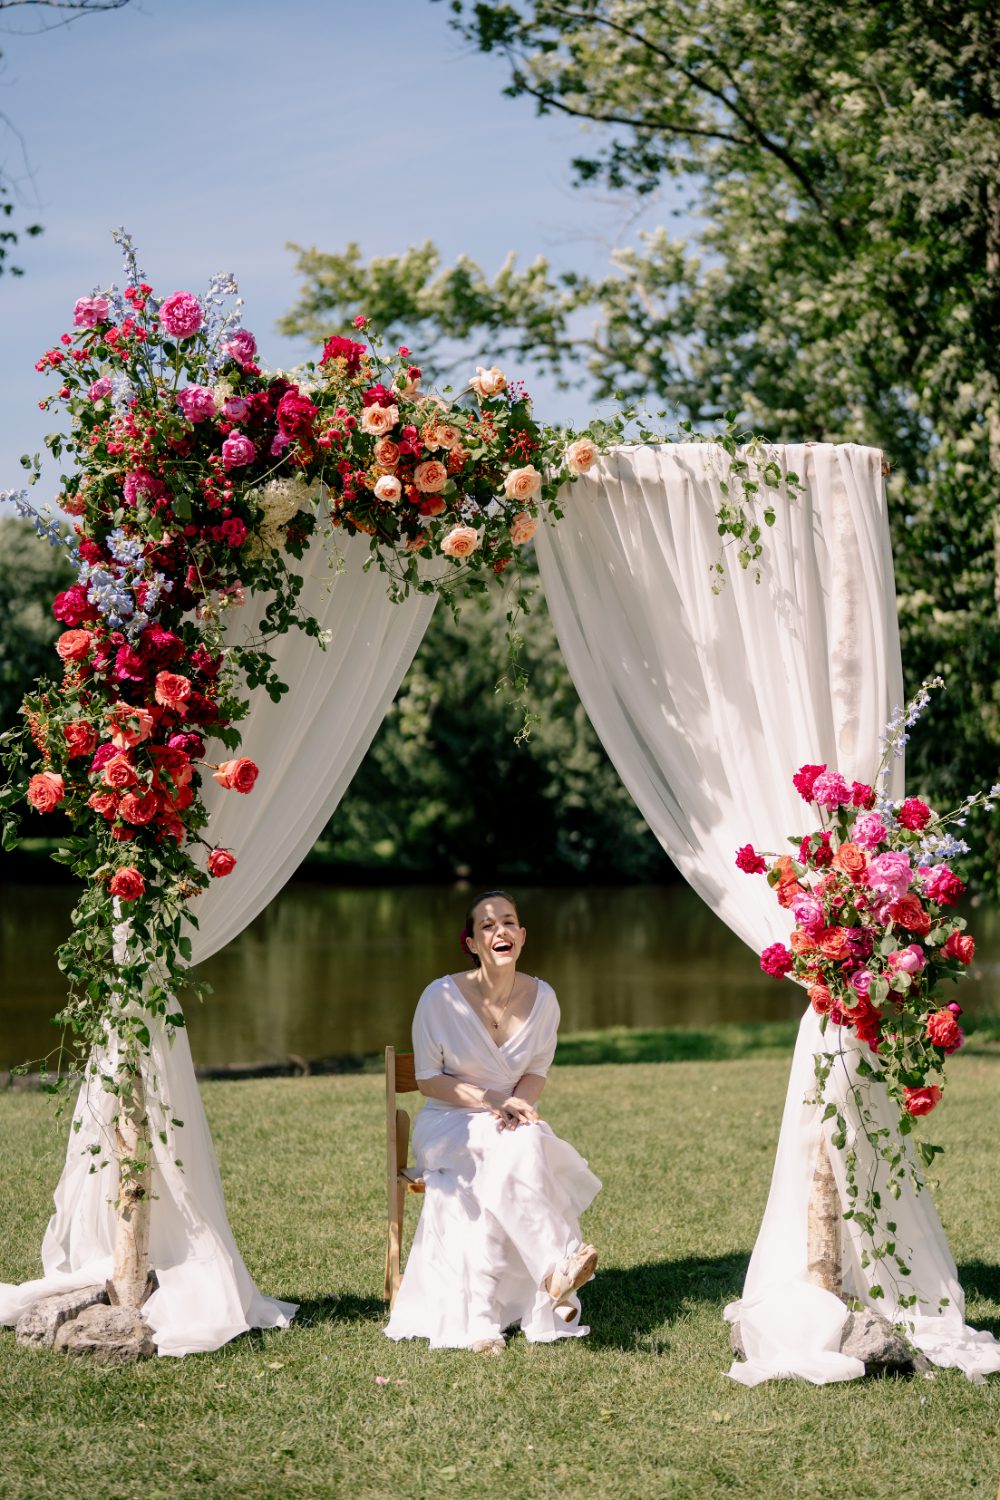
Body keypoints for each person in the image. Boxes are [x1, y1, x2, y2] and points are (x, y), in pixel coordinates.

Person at [384, 890, 602, 1353]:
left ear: (522, 936)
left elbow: (536, 1073)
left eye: (508, 922)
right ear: (471, 942)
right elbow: (427, 1081)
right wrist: (493, 1100)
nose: (499, 930)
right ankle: (555, 1267)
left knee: (516, 1149)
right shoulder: (439, 998)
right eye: (487, 925)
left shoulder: (544, 999)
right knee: (515, 1148)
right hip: (450, 1123)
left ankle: (487, 1320)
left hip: (505, 1122)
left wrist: (517, 1107)